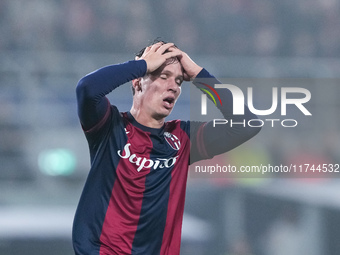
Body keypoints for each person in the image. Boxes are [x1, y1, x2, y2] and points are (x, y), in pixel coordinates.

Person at [72, 40, 261, 255]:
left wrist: (200, 75)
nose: (174, 86)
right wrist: (142, 66)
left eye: (179, 81)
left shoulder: (182, 138)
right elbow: (87, 88)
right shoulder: (109, 126)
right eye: (163, 76)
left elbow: (248, 124)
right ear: (137, 82)